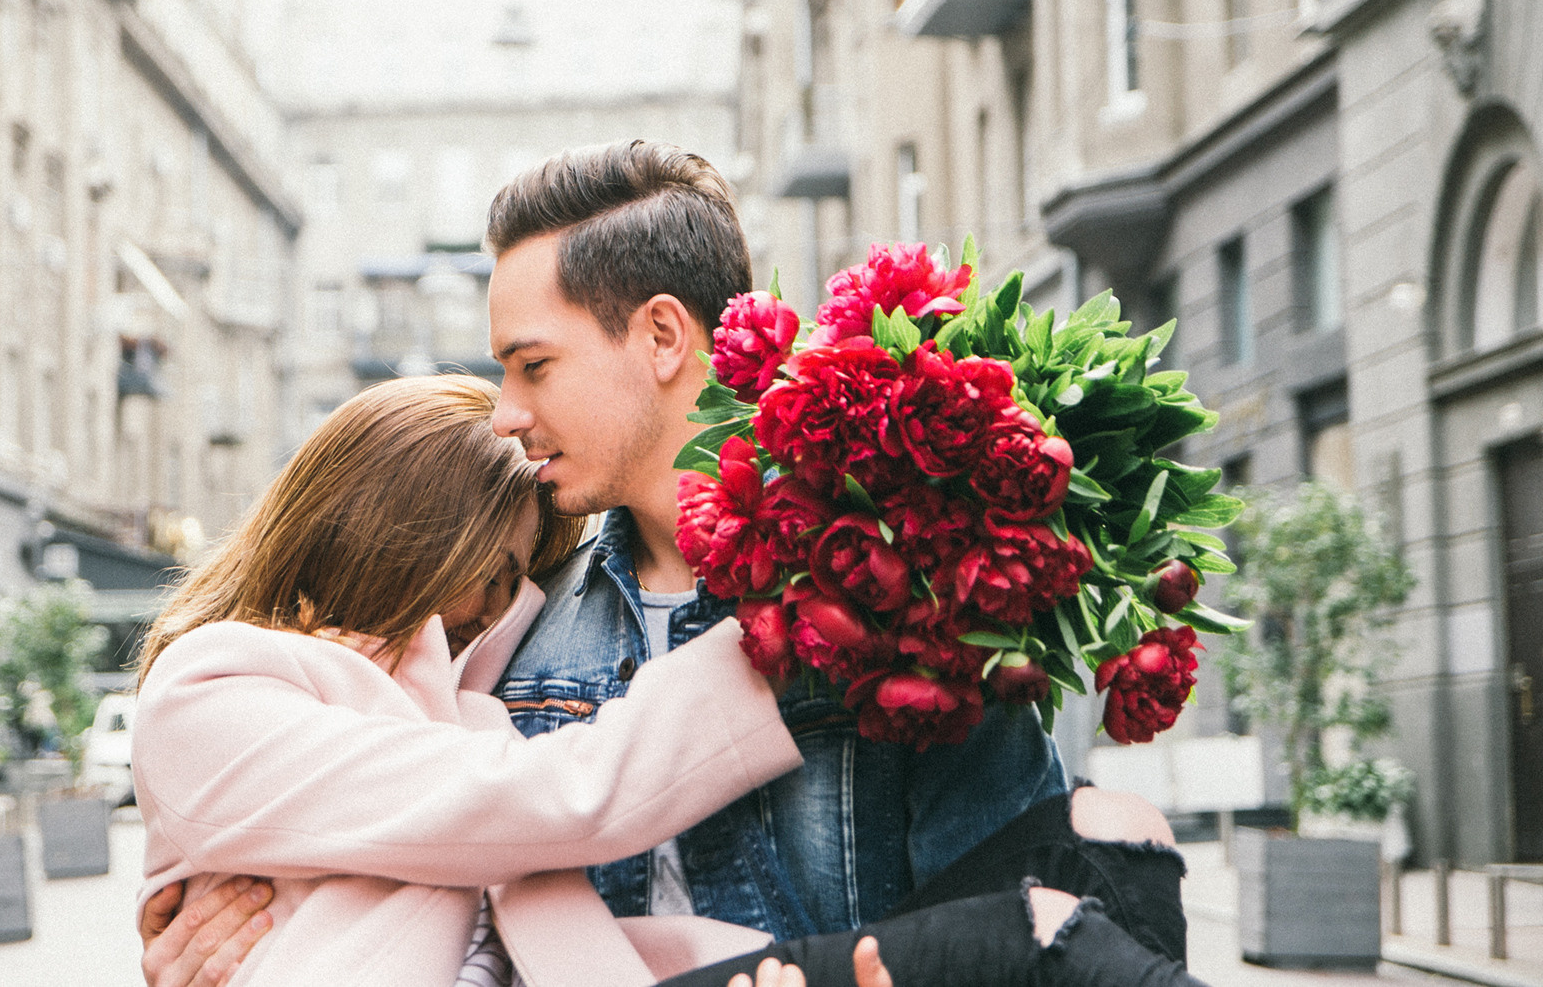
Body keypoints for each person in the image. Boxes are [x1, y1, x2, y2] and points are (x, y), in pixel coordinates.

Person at [138, 142, 1089, 982]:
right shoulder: (514, 642)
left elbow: (1032, 922)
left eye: (533, 364)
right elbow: (468, 853)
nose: (505, 410)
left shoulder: (901, 601)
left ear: (663, 336)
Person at [130, 375, 808, 986]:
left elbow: (564, 936)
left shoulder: (458, 707)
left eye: (515, 585)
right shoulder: (202, 693)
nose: (493, 612)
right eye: (492, 574)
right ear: (404, 537)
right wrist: (775, 639)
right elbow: (560, 794)